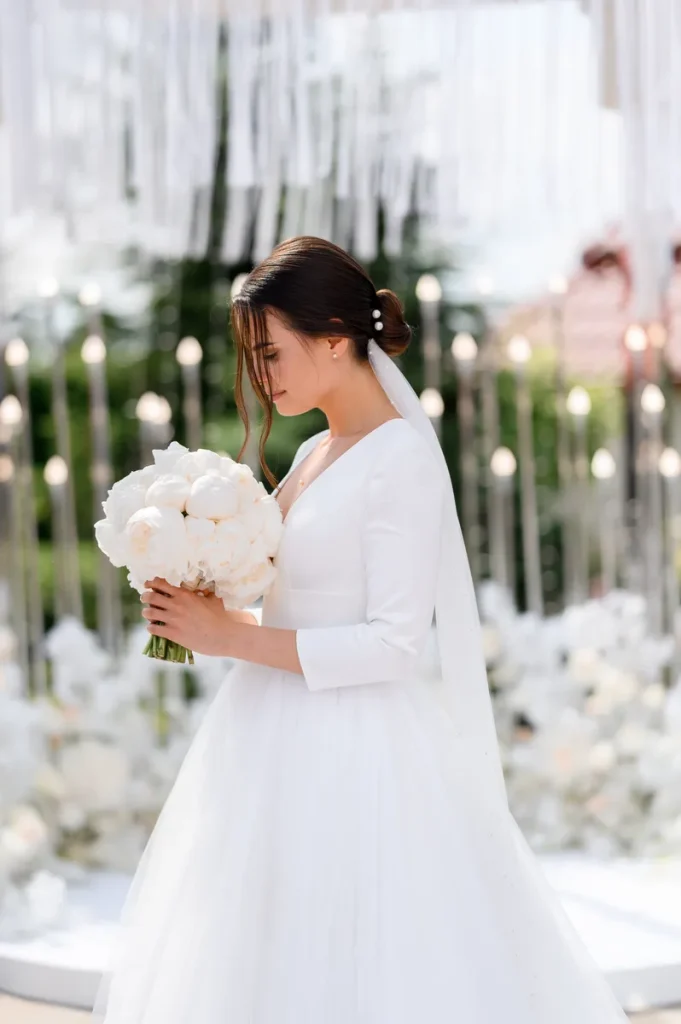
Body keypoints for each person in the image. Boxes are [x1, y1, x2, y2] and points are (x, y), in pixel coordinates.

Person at [93, 237, 629, 1023]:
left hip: (358, 752)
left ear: (337, 337)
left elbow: (391, 644)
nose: (261, 375)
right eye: (255, 355)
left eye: (272, 352)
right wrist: (196, 584)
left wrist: (231, 637)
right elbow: (297, 601)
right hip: (266, 732)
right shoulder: (315, 450)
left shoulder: (399, 459)